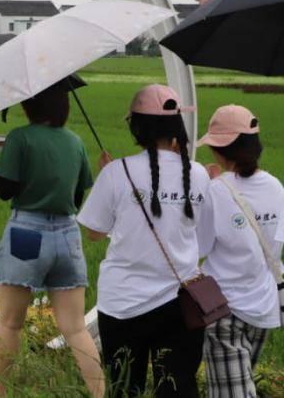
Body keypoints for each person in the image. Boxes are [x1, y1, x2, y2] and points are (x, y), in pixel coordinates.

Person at [78, 84, 210, 398]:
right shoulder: (199, 174)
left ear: (136, 127)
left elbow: (94, 233)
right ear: (177, 125)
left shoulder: (116, 173)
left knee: (125, 388)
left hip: (123, 304)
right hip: (181, 302)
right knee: (177, 388)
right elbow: (202, 239)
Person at [0, 81, 103, 398]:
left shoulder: (21, 138)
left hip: (27, 233)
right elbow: (77, 194)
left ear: (29, 105)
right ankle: (100, 394)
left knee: (10, 322)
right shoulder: (75, 141)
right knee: (74, 327)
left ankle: (0, 391)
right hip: (67, 234)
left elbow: (6, 191)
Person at [196, 105, 283, 398]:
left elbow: (200, 246)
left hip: (223, 307)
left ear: (221, 150)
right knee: (235, 387)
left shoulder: (217, 190)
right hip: (264, 307)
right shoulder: (276, 188)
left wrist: (209, 188)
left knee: (230, 393)